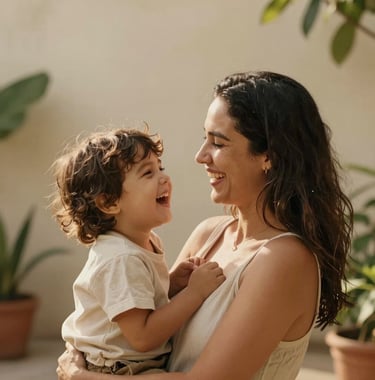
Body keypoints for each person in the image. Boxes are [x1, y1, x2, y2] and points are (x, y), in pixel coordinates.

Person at [56, 71, 353, 380]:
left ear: (269, 157)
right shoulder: (209, 234)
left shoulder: (283, 259)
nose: (201, 156)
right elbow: (143, 322)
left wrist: (83, 377)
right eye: (204, 139)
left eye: (218, 143)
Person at [50, 128, 225, 375]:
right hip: (114, 369)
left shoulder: (143, 243)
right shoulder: (121, 259)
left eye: (160, 168)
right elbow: (142, 336)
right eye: (148, 173)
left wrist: (172, 284)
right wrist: (195, 293)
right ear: (109, 202)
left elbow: (140, 301)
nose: (164, 178)